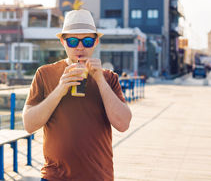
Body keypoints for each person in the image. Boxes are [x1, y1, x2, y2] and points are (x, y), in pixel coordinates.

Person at [22, 9, 132, 180]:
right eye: (73, 41)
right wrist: (60, 89)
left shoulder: (109, 78)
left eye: (87, 41)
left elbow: (123, 124)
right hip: (55, 176)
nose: (80, 47)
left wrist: (100, 80)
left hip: (98, 176)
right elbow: (29, 124)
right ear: (62, 42)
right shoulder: (44, 73)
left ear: (95, 42)